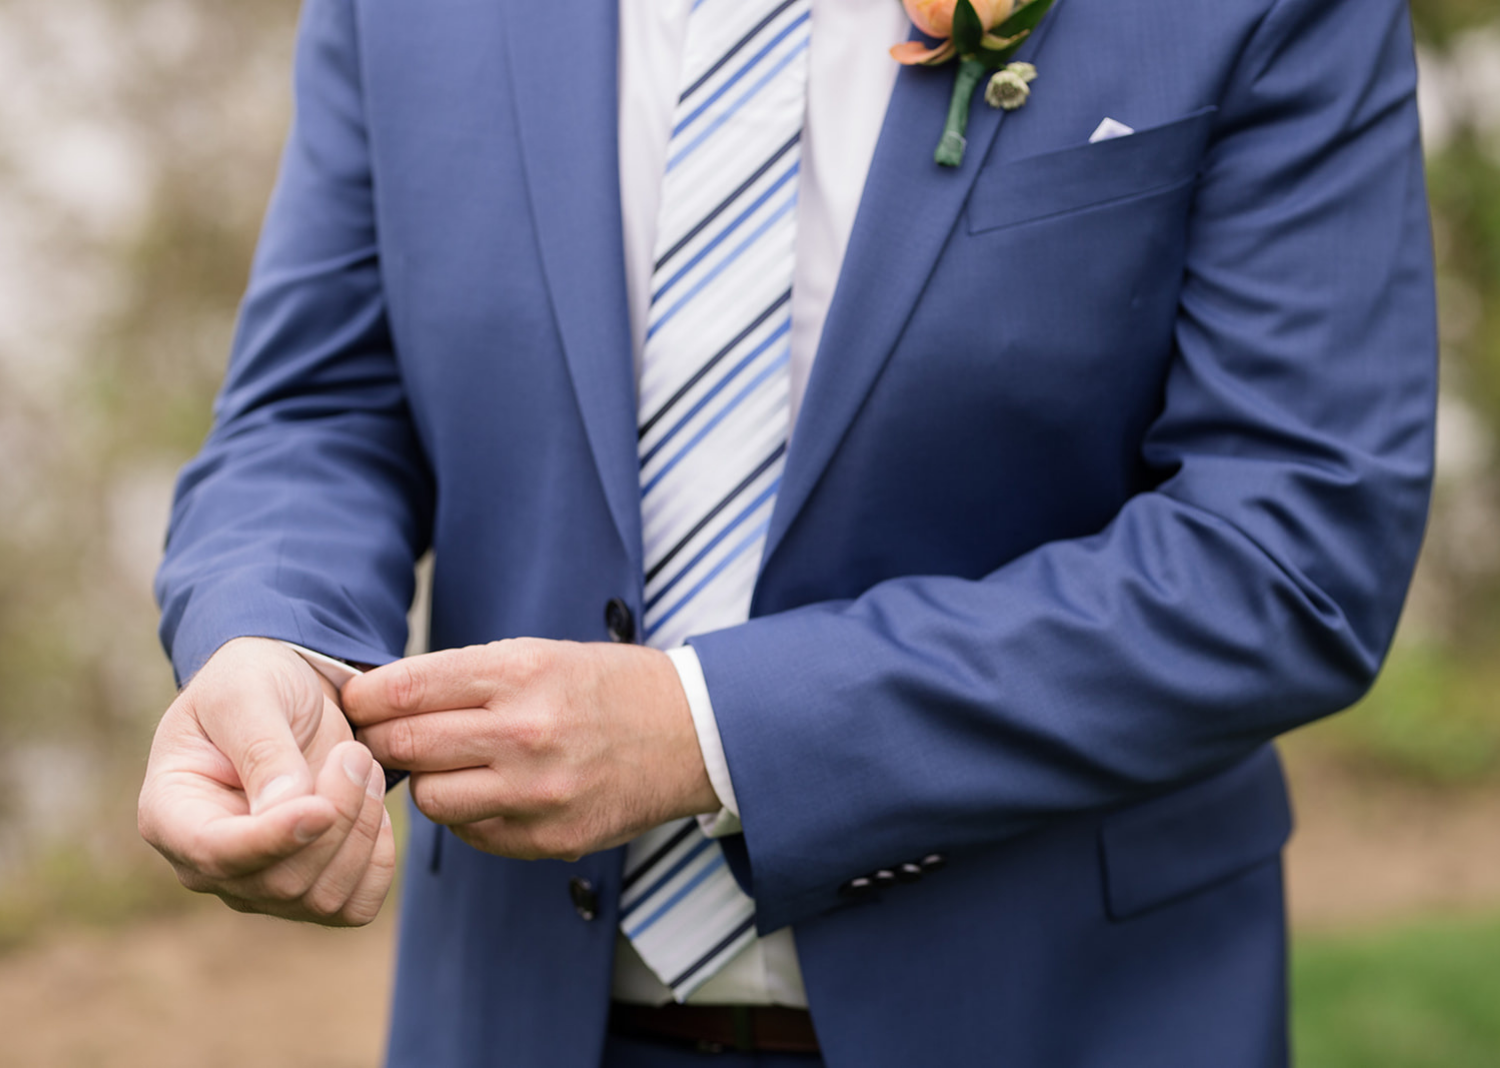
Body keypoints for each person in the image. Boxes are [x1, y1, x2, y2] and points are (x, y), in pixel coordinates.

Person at [137, 0, 1437, 1063]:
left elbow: (1290, 554)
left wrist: (709, 731)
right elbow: (315, 413)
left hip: (1053, 1008)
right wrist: (278, 643)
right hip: (521, 1012)